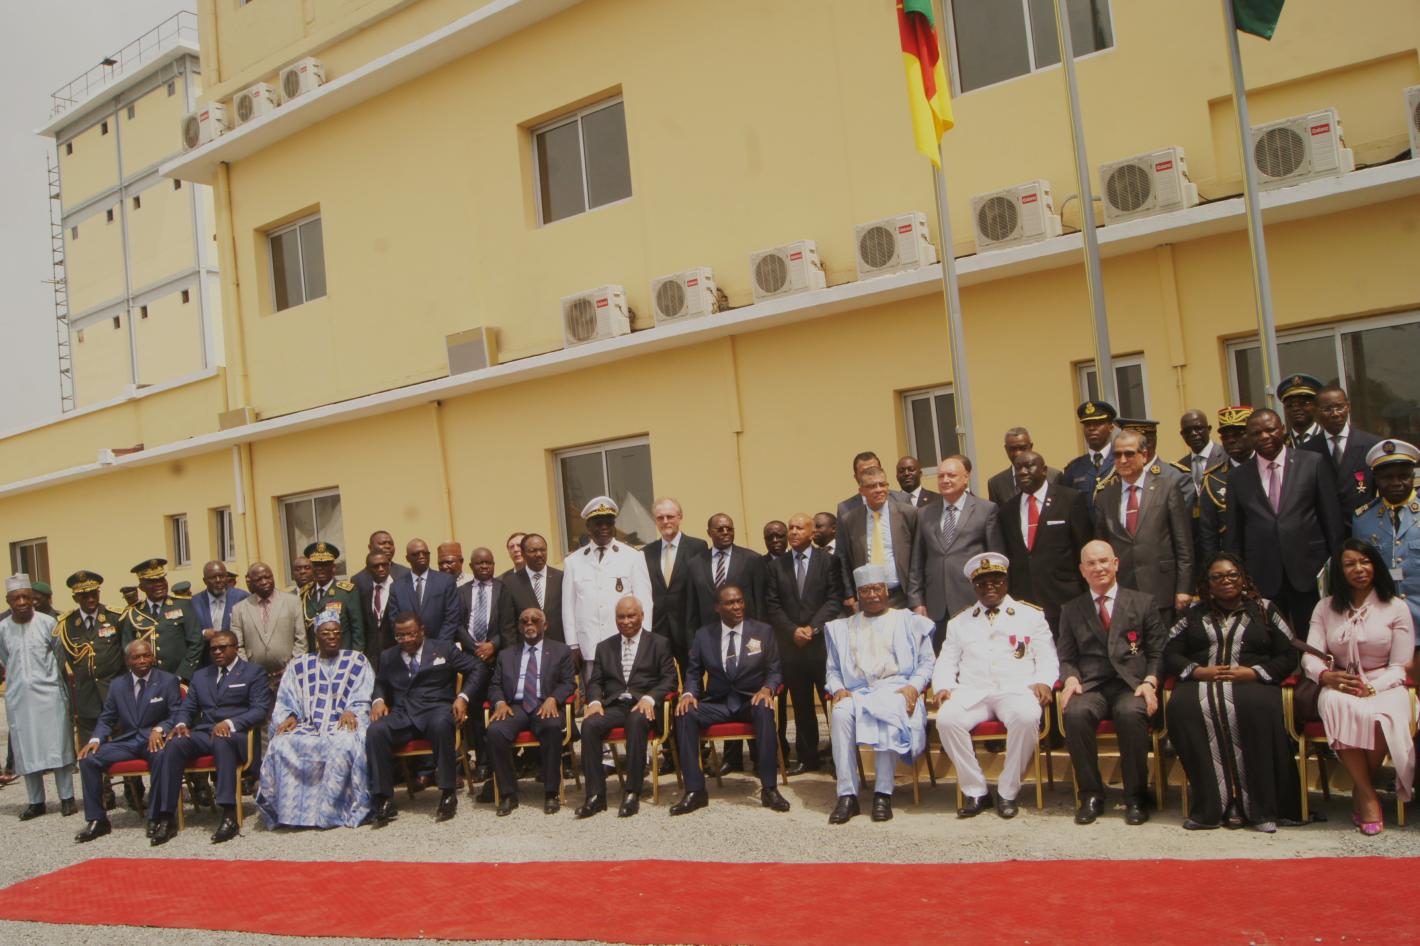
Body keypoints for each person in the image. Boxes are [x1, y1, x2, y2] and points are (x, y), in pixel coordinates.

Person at [1164, 553, 1302, 832]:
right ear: (1208, 583)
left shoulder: (1265, 610)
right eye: (1217, 577)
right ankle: (1212, 807)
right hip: (1201, 681)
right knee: (1183, 707)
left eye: (1232, 575)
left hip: (1252, 681)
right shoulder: (1193, 613)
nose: (1226, 581)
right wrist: (1198, 671)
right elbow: (1170, 653)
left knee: (1256, 707)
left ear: (1243, 579)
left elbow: (1289, 654)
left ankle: (1259, 808)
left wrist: (1255, 672)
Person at [932, 553, 1057, 819]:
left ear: (1006, 582)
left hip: (1015, 690)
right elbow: (946, 660)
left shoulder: (1030, 615)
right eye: (982, 583)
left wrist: (1044, 681)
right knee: (946, 720)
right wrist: (943, 686)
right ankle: (976, 790)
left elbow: (1047, 655)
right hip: (973, 692)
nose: (989, 587)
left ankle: (1007, 791)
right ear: (973, 586)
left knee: (1027, 716)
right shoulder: (959, 622)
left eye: (996, 581)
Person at [1304, 538, 1415, 834]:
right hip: (1340, 681)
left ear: (1375, 566)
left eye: (1365, 562)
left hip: (1385, 682)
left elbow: (1399, 666)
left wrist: (1373, 688)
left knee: (1380, 717)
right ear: (1340, 571)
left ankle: (1360, 788)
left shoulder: (1396, 607)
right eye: (1350, 564)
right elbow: (1310, 656)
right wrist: (1326, 677)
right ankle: (1368, 795)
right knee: (1340, 706)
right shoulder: (1325, 607)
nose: (1359, 569)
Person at [1056, 541, 1166, 826]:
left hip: (1131, 684)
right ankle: (1091, 795)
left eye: (1104, 561)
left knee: (1131, 714)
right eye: (1091, 563)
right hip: (1091, 685)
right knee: (1075, 713)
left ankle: (1136, 797)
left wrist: (1151, 681)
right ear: (1082, 570)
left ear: (1116, 563)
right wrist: (1070, 678)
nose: (1099, 568)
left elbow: (1158, 651)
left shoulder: (1143, 602)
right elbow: (1066, 656)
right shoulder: (1071, 609)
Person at [823, 564, 935, 824]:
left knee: (888, 709)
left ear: (886, 591)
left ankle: (882, 794)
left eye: (876, 589)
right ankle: (847, 795)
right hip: (856, 691)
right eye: (865, 590)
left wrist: (914, 686)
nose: (872, 595)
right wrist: (838, 689)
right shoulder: (843, 627)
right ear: (858, 595)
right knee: (840, 714)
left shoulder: (909, 621)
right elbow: (832, 670)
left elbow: (927, 663)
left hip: (896, 688)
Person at [671, 584, 790, 815]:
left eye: (740, 601)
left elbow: (774, 670)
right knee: (684, 712)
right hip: (718, 703)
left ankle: (769, 788)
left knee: (764, 708)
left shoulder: (762, 631)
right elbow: (693, 673)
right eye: (730, 603)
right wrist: (688, 694)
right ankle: (695, 791)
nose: (737, 607)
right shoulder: (704, 635)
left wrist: (767, 689)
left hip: (750, 701)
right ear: (717, 607)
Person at [1224, 408, 1343, 635]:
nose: (1264, 436)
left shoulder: (1312, 463)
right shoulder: (1238, 477)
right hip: (1262, 575)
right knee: (1271, 640)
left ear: (1282, 429)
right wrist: (1238, 577)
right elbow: (1234, 534)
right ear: (1249, 437)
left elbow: (1331, 522)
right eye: (1256, 433)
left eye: (1270, 430)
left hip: (1308, 571)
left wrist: (1337, 569)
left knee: (1312, 639)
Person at [256, 613, 376, 829]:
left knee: (345, 743)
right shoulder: (299, 665)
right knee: (281, 743)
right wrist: (290, 716)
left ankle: (332, 813)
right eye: (326, 633)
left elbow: (363, 694)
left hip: (343, 724)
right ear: (316, 637)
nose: (332, 637)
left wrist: (352, 710)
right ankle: (291, 814)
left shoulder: (357, 660)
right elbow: (286, 699)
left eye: (336, 633)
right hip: (308, 725)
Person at [366, 612, 485, 826]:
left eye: (411, 634)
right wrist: (378, 700)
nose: (406, 640)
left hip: (436, 708)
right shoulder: (388, 656)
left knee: (441, 725)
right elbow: (381, 683)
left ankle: (448, 793)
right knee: (376, 731)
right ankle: (384, 799)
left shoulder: (444, 648)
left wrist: (463, 697)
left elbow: (477, 667)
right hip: (403, 714)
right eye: (400, 636)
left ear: (422, 630)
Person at [158, 631, 274, 843]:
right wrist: (181, 724)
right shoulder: (201, 675)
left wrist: (230, 723)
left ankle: (229, 813)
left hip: (237, 736)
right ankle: (166, 816)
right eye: (213, 649)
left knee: (223, 740)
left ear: (236, 648)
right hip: (205, 733)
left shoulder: (253, 672)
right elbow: (188, 707)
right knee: (174, 744)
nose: (217, 652)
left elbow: (259, 710)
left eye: (223, 647)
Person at [73, 639, 183, 843]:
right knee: (88, 759)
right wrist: (96, 738)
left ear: (153, 657)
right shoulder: (117, 685)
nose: (142, 660)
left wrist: (160, 729)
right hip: (128, 740)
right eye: (137, 657)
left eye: (146, 655)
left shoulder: (167, 681)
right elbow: (107, 717)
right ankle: (98, 820)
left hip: (154, 740)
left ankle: (156, 816)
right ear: (128, 661)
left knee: (162, 756)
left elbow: (176, 713)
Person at [576, 596, 677, 818]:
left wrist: (650, 698)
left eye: (631, 616)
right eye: (621, 617)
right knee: (590, 724)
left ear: (641, 616)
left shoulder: (659, 643)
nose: (626, 621)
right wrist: (594, 702)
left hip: (645, 707)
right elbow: (595, 682)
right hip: (615, 705)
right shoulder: (605, 647)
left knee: (636, 719)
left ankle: (632, 792)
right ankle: (595, 796)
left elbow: (670, 679)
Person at [765, 513, 844, 774]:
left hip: (820, 644)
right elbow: (773, 604)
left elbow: (834, 599)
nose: (793, 532)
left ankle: (839, 758)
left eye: (800, 528)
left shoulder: (829, 561)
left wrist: (812, 628)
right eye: (791, 528)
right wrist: (793, 631)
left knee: (831, 704)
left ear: (812, 533)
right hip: (792, 647)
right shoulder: (777, 566)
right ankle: (807, 758)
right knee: (801, 705)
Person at [1093, 429, 1194, 621]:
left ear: (1144, 455)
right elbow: (1101, 546)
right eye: (1117, 455)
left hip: (1162, 588)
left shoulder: (1167, 487)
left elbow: (1183, 543)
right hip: (1123, 592)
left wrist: (1184, 588)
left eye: (1129, 454)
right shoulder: (1105, 496)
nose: (1123, 460)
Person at [485, 608, 576, 815]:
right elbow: (495, 685)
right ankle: (508, 794)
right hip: (515, 707)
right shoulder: (506, 654)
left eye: (535, 620)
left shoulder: (560, 651)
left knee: (552, 726)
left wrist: (553, 699)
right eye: (524, 621)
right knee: (495, 731)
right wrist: (499, 702)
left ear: (545, 625)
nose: (529, 624)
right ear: (519, 627)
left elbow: (569, 683)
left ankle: (551, 792)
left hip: (545, 704)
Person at [0, 575, 77, 820]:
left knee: (58, 746)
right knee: (27, 748)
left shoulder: (47, 622)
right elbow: (5, 658)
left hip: (50, 693)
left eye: (27, 597)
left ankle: (67, 798)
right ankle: (36, 802)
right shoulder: (2, 628)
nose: (23, 602)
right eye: (17, 598)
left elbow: (59, 656)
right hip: (19, 697)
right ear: (9, 601)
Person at [909, 455, 1004, 650]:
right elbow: (917, 561)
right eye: (941, 476)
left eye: (951, 475)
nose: (945, 480)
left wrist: (995, 599)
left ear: (965, 477)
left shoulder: (986, 510)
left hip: (974, 601)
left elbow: (996, 560)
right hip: (936, 606)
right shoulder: (924, 513)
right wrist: (917, 601)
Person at [1000, 450, 1092, 634]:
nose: (1023, 472)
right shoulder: (1007, 510)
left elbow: (1083, 548)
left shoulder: (1070, 499)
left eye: (1029, 466)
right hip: (1025, 603)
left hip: (1065, 598)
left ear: (1044, 470)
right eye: (1018, 468)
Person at [563, 496, 654, 666]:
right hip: (588, 645)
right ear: (588, 526)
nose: (604, 527)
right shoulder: (573, 561)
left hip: (625, 644)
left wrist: (645, 640)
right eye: (598, 523)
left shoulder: (633, 556)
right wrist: (572, 644)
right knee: (590, 684)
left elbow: (645, 602)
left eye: (609, 523)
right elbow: (568, 606)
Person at [1353, 440, 1420, 630]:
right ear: (1375, 479)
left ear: (1413, 476)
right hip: (1383, 623)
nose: (1396, 483)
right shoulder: (1363, 520)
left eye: (1403, 476)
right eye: (1387, 478)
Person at [55, 570, 126, 747]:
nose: (91, 599)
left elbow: (125, 652)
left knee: (122, 745)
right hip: (86, 695)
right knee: (89, 749)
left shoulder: (115, 617)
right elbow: (72, 660)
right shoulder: (67, 624)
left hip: (114, 691)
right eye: (84, 596)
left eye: (94, 594)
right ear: (75, 598)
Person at [454, 546, 505, 783]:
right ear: (471, 566)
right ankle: (483, 762)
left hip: (498, 657)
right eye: (479, 563)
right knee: (475, 714)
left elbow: (509, 624)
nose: (484, 567)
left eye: (488, 563)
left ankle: (502, 761)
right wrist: (476, 648)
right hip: (471, 660)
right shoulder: (461, 592)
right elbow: (457, 625)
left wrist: (492, 645)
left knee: (498, 708)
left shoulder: (503, 589)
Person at [837, 466, 918, 610]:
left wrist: (917, 599)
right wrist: (850, 595)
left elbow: (919, 557)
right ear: (861, 491)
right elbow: (842, 559)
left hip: (902, 596)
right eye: (872, 486)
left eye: (882, 484)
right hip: (867, 599)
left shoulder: (908, 514)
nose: (879, 489)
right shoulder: (849, 520)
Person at [642, 498, 708, 670]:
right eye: (660, 518)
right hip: (658, 629)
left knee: (692, 679)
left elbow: (701, 589)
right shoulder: (646, 552)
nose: (665, 521)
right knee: (661, 679)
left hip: (687, 628)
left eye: (670, 516)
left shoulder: (697, 547)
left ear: (680, 517)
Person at [1304, 384, 1381, 524]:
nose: (1335, 414)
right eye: (1327, 409)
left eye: (1340, 407)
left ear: (1348, 407)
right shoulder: (1306, 451)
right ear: (1316, 411)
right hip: (1326, 529)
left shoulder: (1372, 444)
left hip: (1364, 526)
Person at [118, 558, 204, 682]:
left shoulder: (183, 605)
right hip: (147, 680)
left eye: (162, 579)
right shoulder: (133, 613)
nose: (159, 584)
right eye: (152, 581)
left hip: (180, 679)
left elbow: (196, 642)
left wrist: (182, 674)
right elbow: (128, 650)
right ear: (141, 587)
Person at [230, 562, 306, 693]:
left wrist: (291, 667)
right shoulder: (239, 609)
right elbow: (238, 646)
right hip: (254, 679)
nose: (264, 582)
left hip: (289, 675)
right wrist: (249, 672)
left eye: (268, 577)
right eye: (259, 579)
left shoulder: (292, 602)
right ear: (250, 582)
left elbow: (301, 640)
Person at [685, 513, 769, 629]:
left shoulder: (752, 559)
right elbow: (692, 608)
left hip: (745, 630)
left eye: (729, 529)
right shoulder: (695, 564)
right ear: (709, 533)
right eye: (720, 529)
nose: (725, 532)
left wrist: (760, 632)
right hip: (709, 633)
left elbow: (760, 603)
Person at [1198, 406, 1255, 564]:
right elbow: (1208, 534)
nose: (1231, 440)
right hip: (1234, 563)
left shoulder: (1268, 469)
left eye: (1238, 434)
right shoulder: (1213, 479)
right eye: (1225, 436)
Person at [300, 542, 365, 653]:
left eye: (325, 565)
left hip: (341, 655)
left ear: (333, 568)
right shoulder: (306, 593)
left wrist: (356, 656)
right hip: (314, 656)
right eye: (316, 565)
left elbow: (357, 629)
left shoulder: (347, 592)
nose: (320, 569)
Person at [392, 538, 460, 643]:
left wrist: (439, 646)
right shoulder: (397, 587)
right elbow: (394, 620)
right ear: (407, 558)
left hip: (440, 646)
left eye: (425, 553)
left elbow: (452, 618)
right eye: (416, 554)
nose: (422, 556)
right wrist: (409, 643)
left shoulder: (446, 581)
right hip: (409, 646)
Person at [501, 534, 565, 645]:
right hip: (525, 649)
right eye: (533, 551)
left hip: (558, 647)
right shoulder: (510, 583)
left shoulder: (561, 578)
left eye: (542, 550)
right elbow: (508, 626)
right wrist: (512, 652)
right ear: (523, 554)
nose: (539, 554)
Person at [986, 428, 1062, 507]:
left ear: (1031, 446)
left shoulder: (1054, 476)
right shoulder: (996, 483)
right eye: (1013, 449)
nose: (1018, 453)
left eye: (1022, 448)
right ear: (1006, 449)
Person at [1062, 400, 1118, 498]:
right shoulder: (1073, 468)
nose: (1091, 428)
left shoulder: (1122, 460)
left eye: (1098, 423)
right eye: (1087, 424)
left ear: (1111, 427)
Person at [191, 561, 250, 650]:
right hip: (206, 655)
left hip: (236, 654)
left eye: (222, 576)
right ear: (205, 581)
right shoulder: (194, 602)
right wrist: (203, 634)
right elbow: (188, 632)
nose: (218, 580)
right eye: (213, 577)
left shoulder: (242, 598)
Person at [359, 552, 398, 667]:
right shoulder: (364, 593)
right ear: (368, 570)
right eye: (376, 566)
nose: (381, 569)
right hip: (372, 658)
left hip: (396, 653)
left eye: (384, 565)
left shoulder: (401, 588)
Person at [1178, 410, 1225, 495]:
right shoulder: (1179, 468)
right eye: (1187, 431)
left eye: (1198, 428)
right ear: (1182, 434)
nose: (1193, 434)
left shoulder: (1226, 456)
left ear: (1209, 429)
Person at [1279, 373, 1326, 450]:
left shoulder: (1328, 438)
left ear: (1316, 405)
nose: (1295, 409)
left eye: (1303, 403)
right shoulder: (1280, 444)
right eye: (1289, 405)